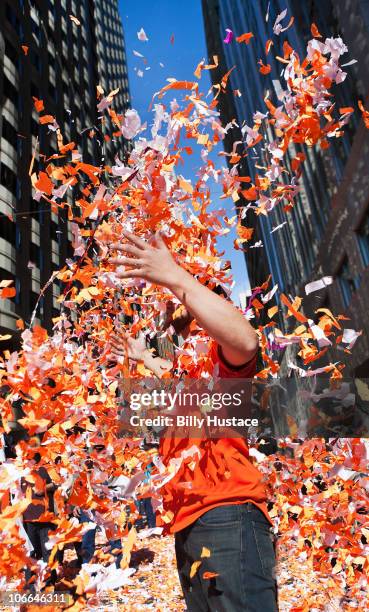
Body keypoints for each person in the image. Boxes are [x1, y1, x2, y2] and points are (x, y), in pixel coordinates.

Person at [108, 229, 278, 611]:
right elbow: (172, 380)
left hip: (228, 515)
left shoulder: (221, 360)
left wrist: (176, 276)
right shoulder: (189, 375)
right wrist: (143, 360)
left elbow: (247, 342)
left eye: (177, 301)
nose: (170, 308)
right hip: (187, 526)